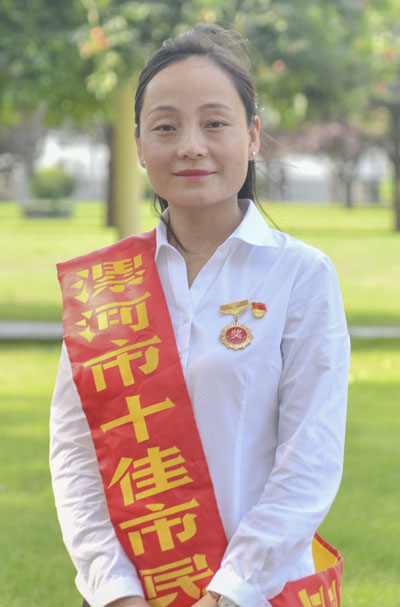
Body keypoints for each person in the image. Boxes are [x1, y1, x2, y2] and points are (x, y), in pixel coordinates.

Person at [50, 23, 350, 607]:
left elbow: (309, 456)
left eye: (215, 123)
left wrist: (227, 592)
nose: (191, 145)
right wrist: (115, 590)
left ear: (253, 137)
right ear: (139, 146)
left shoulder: (301, 275)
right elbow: (76, 454)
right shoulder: (105, 288)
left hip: (260, 592)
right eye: (166, 127)